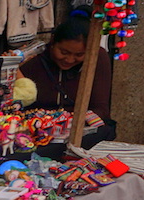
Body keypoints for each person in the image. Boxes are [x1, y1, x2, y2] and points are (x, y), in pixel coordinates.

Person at [18, 8, 117, 149]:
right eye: (63, 52)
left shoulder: (97, 58)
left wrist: (68, 120)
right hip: (37, 131)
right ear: (52, 43)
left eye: (79, 55)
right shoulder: (33, 59)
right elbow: (16, 105)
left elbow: (101, 109)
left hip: (80, 131)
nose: (69, 60)